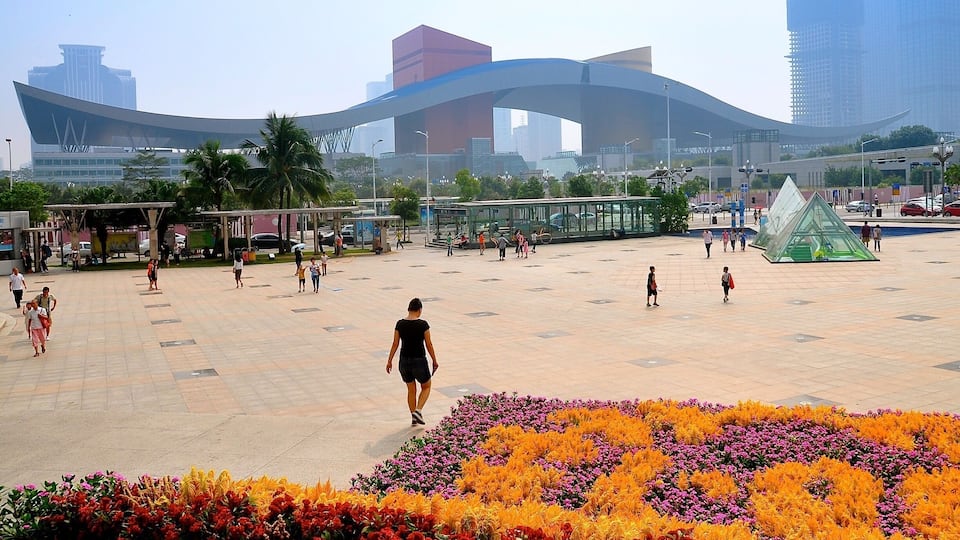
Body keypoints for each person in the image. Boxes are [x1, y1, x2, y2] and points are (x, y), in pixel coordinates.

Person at [386, 297, 439, 426]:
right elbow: (429, 344)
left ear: (408, 309)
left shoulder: (400, 324)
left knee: (411, 390)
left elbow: (395, 343)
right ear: (419, 310)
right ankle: (418, 410)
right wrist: (434, 360)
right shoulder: (423, 324)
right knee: (426, 386)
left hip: (404, 361)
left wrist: (389, 361)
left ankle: (414, 418)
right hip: (419, 360)